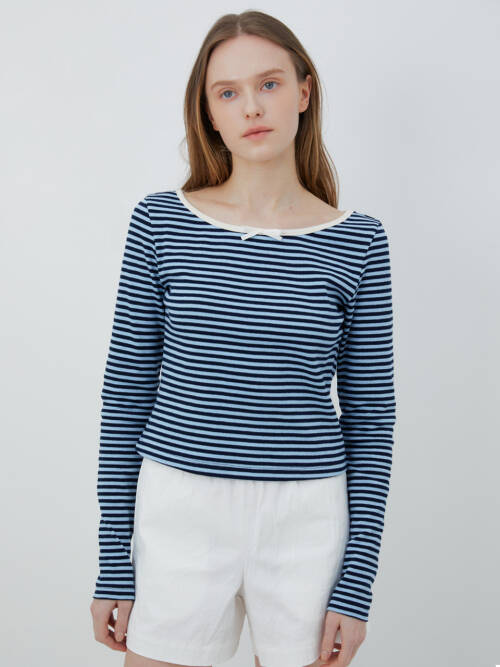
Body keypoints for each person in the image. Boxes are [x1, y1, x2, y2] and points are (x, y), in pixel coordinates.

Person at [90, 10, 396, 667]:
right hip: (180, 508)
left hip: (305, 520)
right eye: (227, 92)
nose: (251, 107)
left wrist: (357, 581)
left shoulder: (359, 241)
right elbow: (126, 397)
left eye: (269, 84)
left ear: (304, 91)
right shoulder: (160, 223)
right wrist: (115, 560)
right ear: (208, 111)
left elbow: (371, 419)